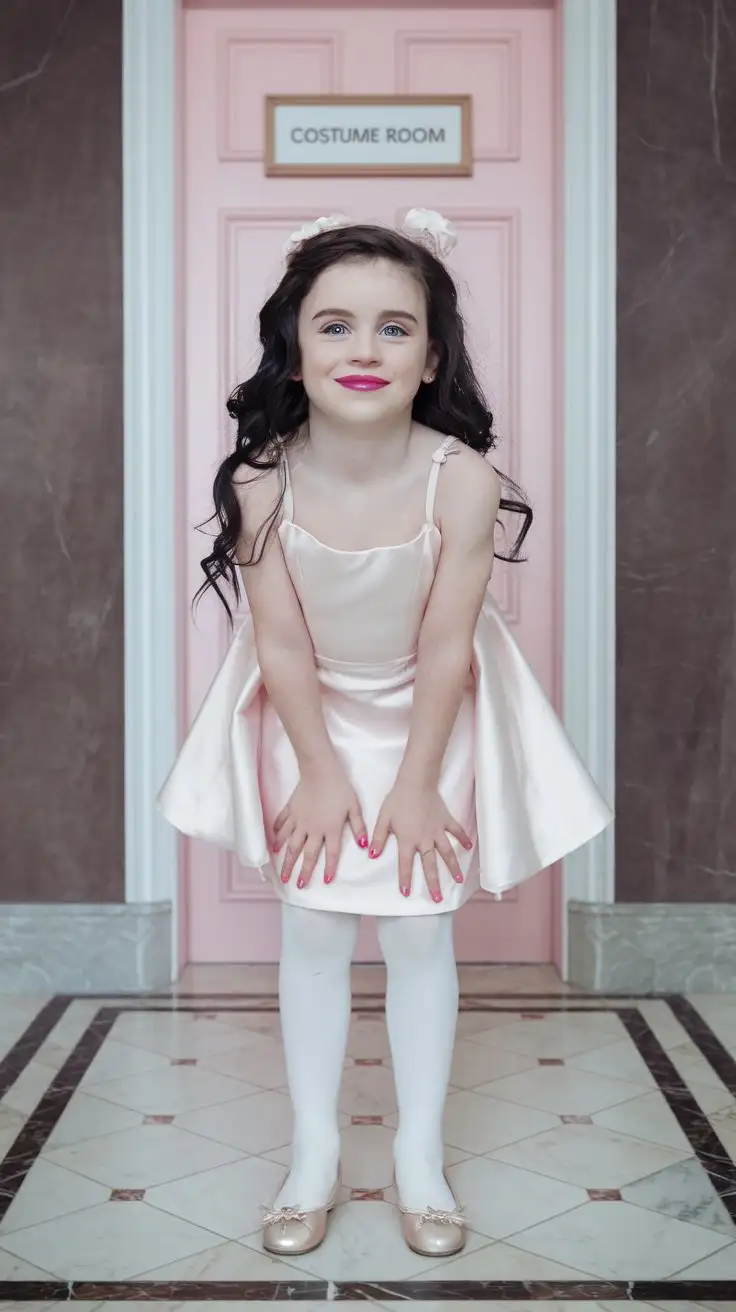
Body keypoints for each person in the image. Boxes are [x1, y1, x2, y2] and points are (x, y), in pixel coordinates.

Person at [157, 208, 613, 1259]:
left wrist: (417, 787)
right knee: (313, 929)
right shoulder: (261, 477)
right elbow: (277, 644)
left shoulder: (459, 477)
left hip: (429, 711)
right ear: (294, 348)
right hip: (308, 710)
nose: (363, 349)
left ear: (432, 358)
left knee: (416, 929)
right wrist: (317, 775)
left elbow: (449, 643)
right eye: (335, 326)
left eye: (394, 329)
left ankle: (418, 1156)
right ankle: (312, 1154)